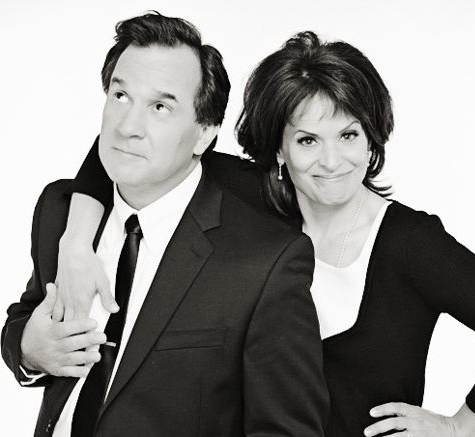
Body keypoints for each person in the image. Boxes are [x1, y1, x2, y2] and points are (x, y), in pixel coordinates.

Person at [53, 29, 475, 437]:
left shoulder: (411, 243)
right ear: (279, 149)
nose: (331, 161)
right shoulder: (248, 198)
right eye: (308, 141)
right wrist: (75, 244)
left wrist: (458, 426)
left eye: (348, 135)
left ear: (371, 139)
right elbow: (126, 152)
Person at [1, 13, 329, 437]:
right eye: (121, 95)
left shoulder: (266, 261)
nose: (127, 127)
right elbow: (25, 317)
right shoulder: (60, 212)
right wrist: (28, 350)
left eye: (160, 107)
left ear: (204, 133)